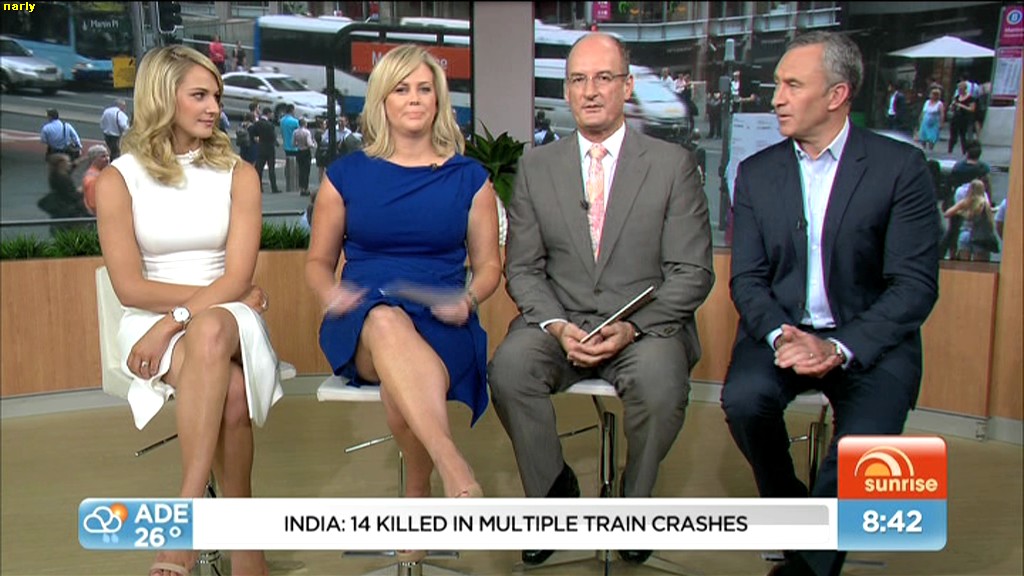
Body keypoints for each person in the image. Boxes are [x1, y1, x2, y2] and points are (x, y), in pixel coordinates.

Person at [488, 33, 714, 568]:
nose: (590, 91)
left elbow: (692, 271)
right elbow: (523, 268)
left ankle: (634, 505)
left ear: (627, 87)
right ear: (567, 91)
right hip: (561, 323)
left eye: (604, 78)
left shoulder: (672, 165)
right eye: (578, 80)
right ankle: (553, 494)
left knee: (660, 385)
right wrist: (556, 325)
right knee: (510, 369)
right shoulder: (537, 166)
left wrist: (633, 327)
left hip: (644, 327)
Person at [722, 31, 939, 576]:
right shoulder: (756, 173)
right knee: (744, 400)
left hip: (870, 339)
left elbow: (914, 286)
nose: (777, 99)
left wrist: (839, 347)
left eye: (793, 85)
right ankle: (798, 516)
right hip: (784, 332)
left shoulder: (900, 168)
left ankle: (809, 565)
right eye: (777, 85)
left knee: (864, 446)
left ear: (837, 95)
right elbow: (747, 280)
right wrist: (782, 335)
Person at [93, 45, 283, 576]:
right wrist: (192, 309)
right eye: (199, 95)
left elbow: (237, 276)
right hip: (152, 314)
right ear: (162, 98)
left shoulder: (239, 174)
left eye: (215, 95)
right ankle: (247, 552)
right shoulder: (119, 180)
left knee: (213, 328)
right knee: (232, 394)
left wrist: (175, 321)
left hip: (223, 316)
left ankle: (187, 513)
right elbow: (130, 287)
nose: (213, 107)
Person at [305, 45, 500, 562]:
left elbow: (489, 268)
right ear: (382, 101)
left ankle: (419, 495)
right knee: (385, 321)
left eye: (424, 89)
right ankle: (452, 466)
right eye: (401, 89)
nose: (414, 99)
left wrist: (469, 298)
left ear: (438, 100)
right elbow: (318, 264)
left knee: (402, 380)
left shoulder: (470, 179)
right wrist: (330, 293)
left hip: (442, 316)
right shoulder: (345, 176)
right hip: (362, 317)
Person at [944, 179, 998, 262]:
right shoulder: (984, 203)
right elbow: (989, 219)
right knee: (980, 265)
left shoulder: (965, 202)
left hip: (965, 234)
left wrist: (960, 212)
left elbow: (947, 214)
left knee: (964, 265)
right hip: (980, 236)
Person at [251, 107, 280, 194]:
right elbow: (273, 136)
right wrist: (276, 143)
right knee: (271, 169)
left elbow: (253, 133)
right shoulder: (270, 125)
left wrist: (257, 140)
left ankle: (259, 187)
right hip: (270, 148)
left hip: (261, 147)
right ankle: (274, 187)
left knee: (259, 169)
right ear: (268, 113)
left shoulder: (257, 123)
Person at [947, 80, 976, 155]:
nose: (959, 90)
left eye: (961, 89)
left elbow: (972, 109)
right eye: (959, 89)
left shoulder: (970, 98)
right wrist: (952, 106)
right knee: (953, 135)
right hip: (956, 118)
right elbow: (952, 108)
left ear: (964, 89)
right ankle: (950, 150)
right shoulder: (957, 97)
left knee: (963, 136)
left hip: (964, 119)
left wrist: (961, 105)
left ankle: (964, 151)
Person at [80, 144, 110, 215]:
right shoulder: (94, 179)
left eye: (107, 156)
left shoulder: (98, 174)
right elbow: (94, 205)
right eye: (103, 156)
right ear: (93, 159)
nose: (107, 159)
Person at [291, 117, 316, 196]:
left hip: (299, 151)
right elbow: (309, 144)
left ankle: (301, 188)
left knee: (301, 170)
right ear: (305, 124)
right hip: (306, 152)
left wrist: (298, 144)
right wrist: (313, 144)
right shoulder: (307, 132)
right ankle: (306, 188)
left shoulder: (295, 132)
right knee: (306, 171)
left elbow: (293, 143)